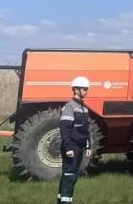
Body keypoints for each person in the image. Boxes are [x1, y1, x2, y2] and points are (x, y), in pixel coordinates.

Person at [58, 76, 92, 204]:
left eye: (87, 89)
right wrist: (68, 148)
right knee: (69, 176)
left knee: (71, 176)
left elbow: (86, 129)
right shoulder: (69, 107)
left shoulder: (85, 108)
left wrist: (88, 146)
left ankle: (62, 201)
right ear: (76, 90)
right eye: (84, 89)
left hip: (80, 147)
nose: (86, 91)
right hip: (71, 146)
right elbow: (65, 129)